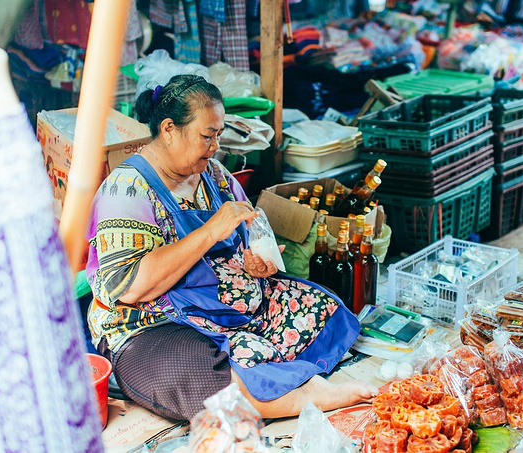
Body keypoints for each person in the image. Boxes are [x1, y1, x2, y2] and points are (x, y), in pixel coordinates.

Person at [86, 74, 377, 421]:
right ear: (168, 129)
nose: (214, 148)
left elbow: (248, 237)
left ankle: (273, 372)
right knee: (197, 375)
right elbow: (131, 286)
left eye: (219, 137)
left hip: (229, 308)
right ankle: (305, 394)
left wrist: (256, 263)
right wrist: (210, 231)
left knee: (323, 306)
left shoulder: (214, 175)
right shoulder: (126, 190)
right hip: (153, 323)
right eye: (207, 137)